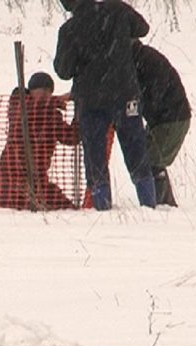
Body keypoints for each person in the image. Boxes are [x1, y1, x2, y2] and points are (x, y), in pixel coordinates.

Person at [54, 0, 156, 210]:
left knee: (95, 155)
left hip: (92, 102)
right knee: (136, 148)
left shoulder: (69, 30)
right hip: (126, 95)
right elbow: (143, 29)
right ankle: (149, 203)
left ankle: (103, 206)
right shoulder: (117, 9)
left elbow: (63, 70)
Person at [0, 72, 80, 211]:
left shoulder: (52, 117)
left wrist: (80, 115)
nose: (44, 94)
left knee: (66, 208)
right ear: (30, 92)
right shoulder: (19, 107)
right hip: (9, 180)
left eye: (47, 91)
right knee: (29, 206)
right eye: (40, 90)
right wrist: (56, 101)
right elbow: (31, 108)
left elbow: (71, 137)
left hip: (37, 182)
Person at [133, 40, 191, 206]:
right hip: (167, 119)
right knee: (149, 161)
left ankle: (162, 205)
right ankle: (163, 204)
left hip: (171, 120)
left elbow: (154, 93)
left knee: (151, 162)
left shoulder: (144, 61)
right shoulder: (144, 57)